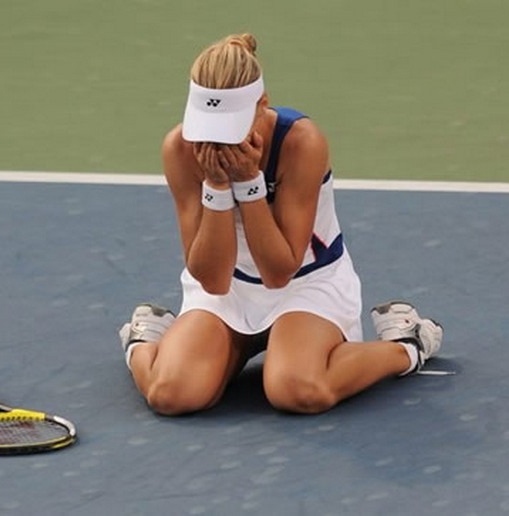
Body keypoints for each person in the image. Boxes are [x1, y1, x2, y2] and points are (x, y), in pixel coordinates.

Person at [118, 33, 443, 416]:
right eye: (208, 124)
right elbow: (214, 280)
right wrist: (218, 186)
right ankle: (142, 343)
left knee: (297, 390)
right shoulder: (180, 148)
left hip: (306, 286)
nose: (215, 140)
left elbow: (278, 273)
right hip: (228, 291)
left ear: (262, 105)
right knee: (171, 394)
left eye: (229, 125)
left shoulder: (302, 142)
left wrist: (251, 184)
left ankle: (406, 344)